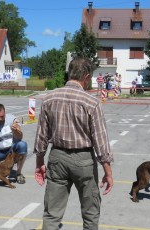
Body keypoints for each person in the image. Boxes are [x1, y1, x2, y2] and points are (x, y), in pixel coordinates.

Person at [34, 57, 113, 230]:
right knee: (90, 212)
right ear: (85, 76)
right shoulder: (91, 102)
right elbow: (101, 142)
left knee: (52, 213)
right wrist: (108, 172)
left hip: (57, 157)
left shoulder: (49, 98)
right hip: (83, 160)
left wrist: (39, 161)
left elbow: (41, 135)